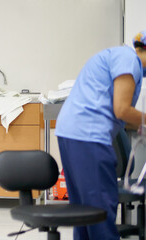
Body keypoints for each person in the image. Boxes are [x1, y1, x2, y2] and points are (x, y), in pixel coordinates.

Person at [55, 30, 146, 240]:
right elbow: (122, 110)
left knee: (85, 213)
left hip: (72, 134)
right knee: (100, 213)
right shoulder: (128, 59)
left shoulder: (120, 58)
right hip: (88, 137)